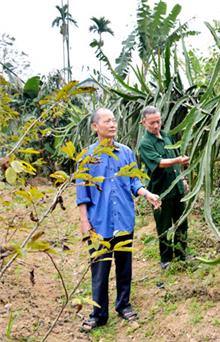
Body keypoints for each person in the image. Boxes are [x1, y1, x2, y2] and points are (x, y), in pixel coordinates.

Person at [76, 108, 160, 332]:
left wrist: (147, 193)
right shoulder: (86, 157)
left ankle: (123, 305)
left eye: (114, 120)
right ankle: (98, 314)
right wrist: (85, 221)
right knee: (100, 270)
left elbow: (134, 182)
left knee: (124, 267)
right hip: (99, 223)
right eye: (106, 121)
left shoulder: (126, 152)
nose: (112, 124)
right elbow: (82, 193)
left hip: (123, 219)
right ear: (95, 127)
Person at [138, 106, 190, 270]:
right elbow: (159, 163)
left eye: (158, 121)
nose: (156, 126)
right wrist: (178, 160)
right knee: (164, 226)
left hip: (177, 188)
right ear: (143, 123)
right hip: (160, 192)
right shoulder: (145, 144)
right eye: (152, 123)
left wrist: (183, 179)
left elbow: (175, 159)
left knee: (182, 222)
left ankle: (182, 255)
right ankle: (166, 259)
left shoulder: (167, 137)